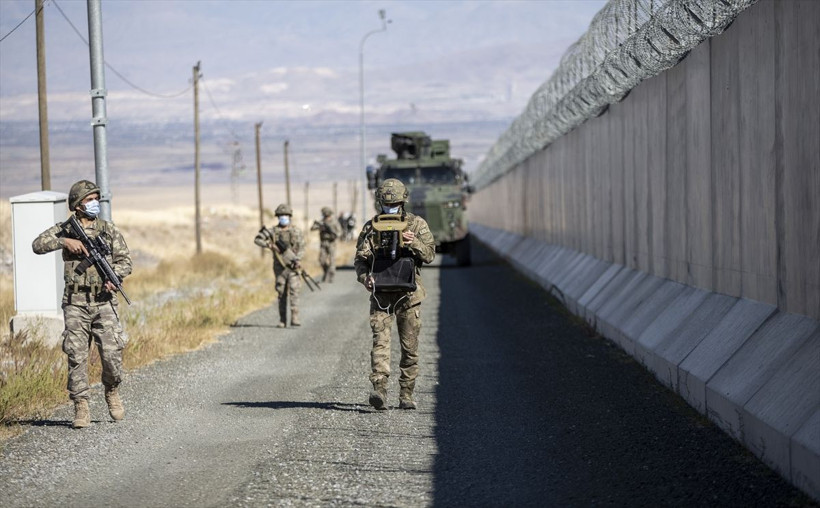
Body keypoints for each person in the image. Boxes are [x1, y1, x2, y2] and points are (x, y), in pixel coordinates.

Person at [32, 179, 132, 429]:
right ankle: (81, 406)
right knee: (76, 355)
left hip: (103, 301)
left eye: (97, 198)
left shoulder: (108, 230)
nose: (94, 203)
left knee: (111, 355)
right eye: (89, 199)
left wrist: (115, 278)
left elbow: (125, 261)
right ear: (77, 205)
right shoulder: (65, 229)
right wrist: (64, 242)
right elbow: (37, 245)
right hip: (75, 302)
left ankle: (111, 390)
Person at [354, 179, 435, 410]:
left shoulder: (417, 224)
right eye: (386, 203)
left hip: (409, 297)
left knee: (410, 348)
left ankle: (406, 394)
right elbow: (360, 260)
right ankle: (379, 389)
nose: (390, 207)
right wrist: (365, 278)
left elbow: (429, 255)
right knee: (380, 343)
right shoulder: (371, 228)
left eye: (395, 203)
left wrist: (414, 242)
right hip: (381, 295)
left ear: (403, 201)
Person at [255, 203, 305, 328]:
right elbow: (257, 239)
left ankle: (295, 318)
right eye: (281, 215)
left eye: (286, 215)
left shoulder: (296, 231)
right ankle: (282, 320)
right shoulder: (272, 232)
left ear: (290, 216)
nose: (284, 217)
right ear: (278, 217)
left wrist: (297, 259)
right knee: (281, 292)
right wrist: (270, 245)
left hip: (293, 266)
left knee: (294, 291)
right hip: (280, 267)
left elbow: (302, 247)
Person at [310, 206, 343, 283]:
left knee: (332, 260)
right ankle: (326, 271)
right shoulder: (322, 222)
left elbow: (339, 232)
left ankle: (331, 276)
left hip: (331, 243)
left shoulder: (334, 222)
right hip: (323, 243)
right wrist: (320, 227)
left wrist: (333, 235)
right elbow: (312, 228)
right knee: (322, 260)